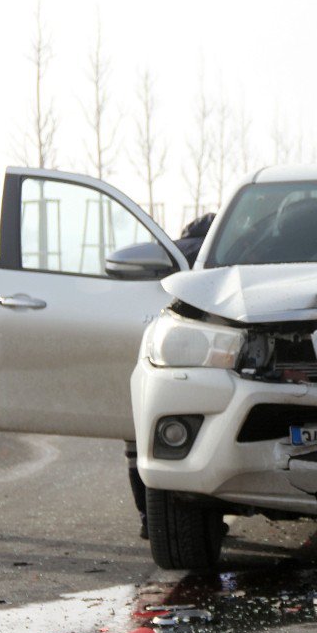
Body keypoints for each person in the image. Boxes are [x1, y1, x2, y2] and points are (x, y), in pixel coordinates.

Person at [127, 212, 216, 539]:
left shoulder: (168, 252)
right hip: (205, 362)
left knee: (139, 444)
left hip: (154, 353)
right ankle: (210, 516)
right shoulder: (226, 252)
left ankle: (150, 520)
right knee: (203, 439)